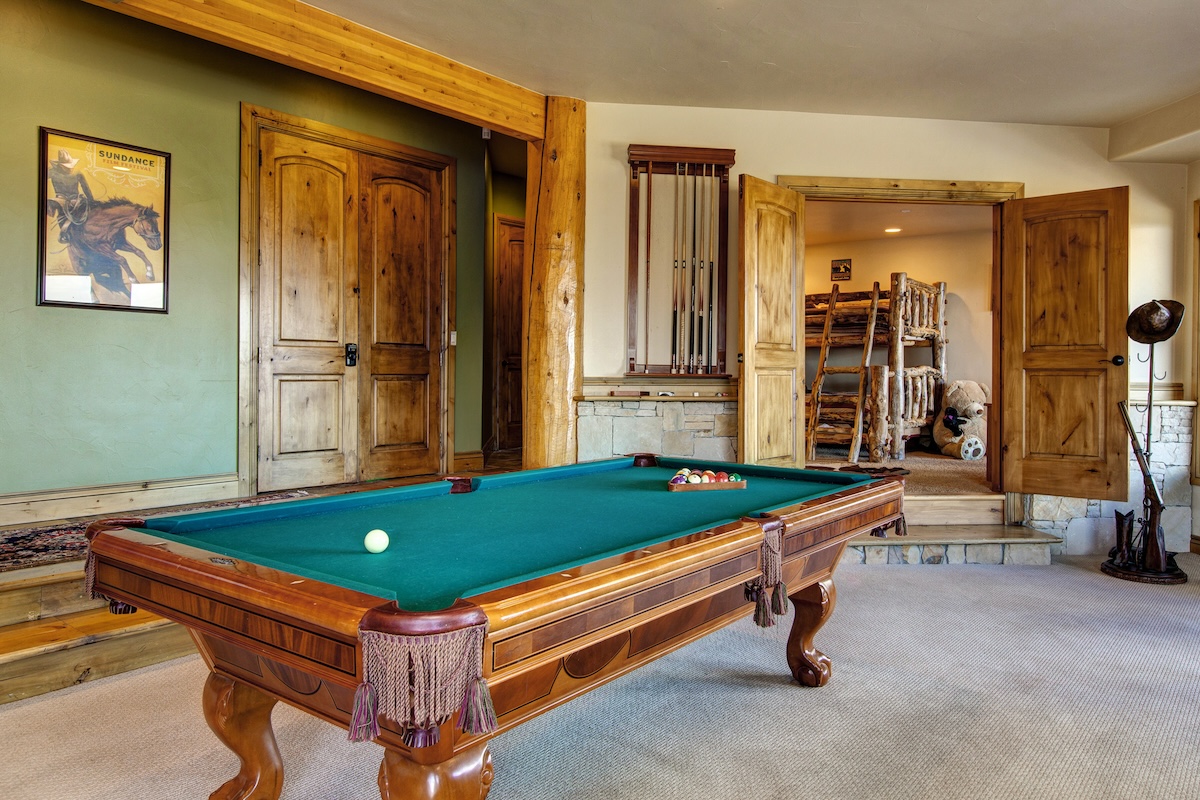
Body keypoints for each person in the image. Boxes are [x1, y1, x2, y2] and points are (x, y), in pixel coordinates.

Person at [47, 148, 94, 243]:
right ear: (60, 165)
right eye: (66, 166)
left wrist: (92, 201)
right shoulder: (52, 172)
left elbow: (86, 188)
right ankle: (64, 233)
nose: (70, 168)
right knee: (62, 213)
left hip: (76, 198)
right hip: (61, 199)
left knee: (86, 211)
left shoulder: (78, 174)